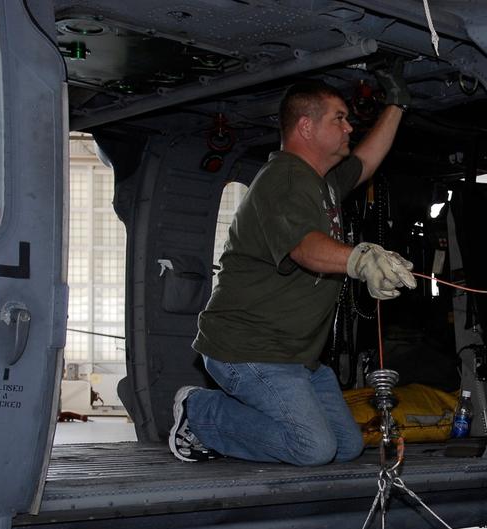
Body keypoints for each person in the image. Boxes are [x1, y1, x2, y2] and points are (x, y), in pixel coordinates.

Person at [169, 70, 417, 465]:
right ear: (306, 126)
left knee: (346, 447)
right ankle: (199, 412)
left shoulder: (322, 182)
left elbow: (366, 161)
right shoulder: (283, 179)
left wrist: (397, 104)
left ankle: (236, 417)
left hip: (297, 358)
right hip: (248, 350)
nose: (349, 127)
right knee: (313, 448)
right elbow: (304, 247)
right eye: (339, 118)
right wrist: (360, 259)